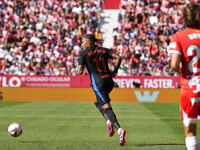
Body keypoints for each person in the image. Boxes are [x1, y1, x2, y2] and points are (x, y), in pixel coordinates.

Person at [78, 34, 126, 146]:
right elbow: (119, 57)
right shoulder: (103, 50)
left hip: (98, 84)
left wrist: (82, 63)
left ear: (89, 42)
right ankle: (109, 121)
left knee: (106, 106)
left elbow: (80, 71)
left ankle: (119, 129)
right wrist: (115, 70)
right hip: (109, 81)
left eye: (83, 42)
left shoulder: (83, 53)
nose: (81, 44)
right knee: (96, 101)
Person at [169, 2, 200, 150]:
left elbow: (174, 64)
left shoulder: (178, 37)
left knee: (191, 130)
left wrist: (186, 72)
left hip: (190, 87)